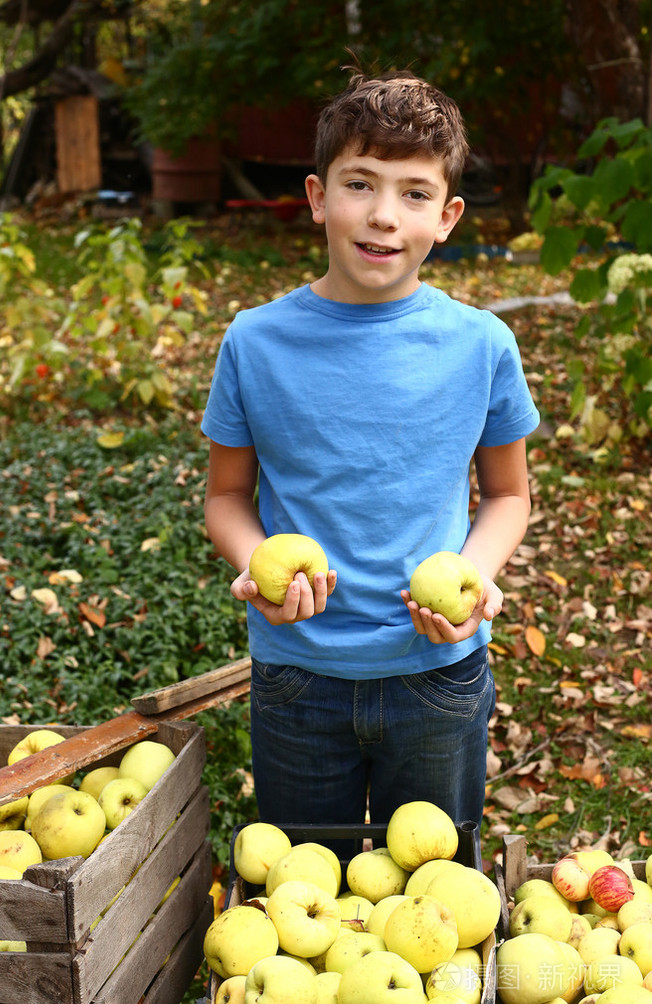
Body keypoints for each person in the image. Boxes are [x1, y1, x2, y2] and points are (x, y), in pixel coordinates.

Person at [201, 71, 539, 832]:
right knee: (299, 878)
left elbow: (509, 495)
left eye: (415, 194)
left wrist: (476, 577)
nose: (384, 216)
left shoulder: (482, 345)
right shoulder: (255, 343)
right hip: (296, 671)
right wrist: (254, 563)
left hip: (437, 672)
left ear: (448, 216)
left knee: (430, 895)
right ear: (319, 197)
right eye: (361, 184)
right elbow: (226, 498)